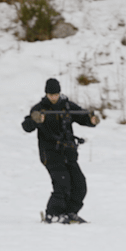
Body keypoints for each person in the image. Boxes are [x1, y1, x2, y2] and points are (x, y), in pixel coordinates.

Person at [22, 78, 99, 224]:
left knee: (80, 184)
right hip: (50, 154)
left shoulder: (67, 106)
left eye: (56, 94)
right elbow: (26, 126)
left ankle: (70, 212)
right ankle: (53, 214)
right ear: (46, 94)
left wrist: (92, 120)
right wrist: (36, 120)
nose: (53, 97)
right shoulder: (39, 108)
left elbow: (83, 116)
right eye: (51, 95)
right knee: (62, 183)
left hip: (68, 153)